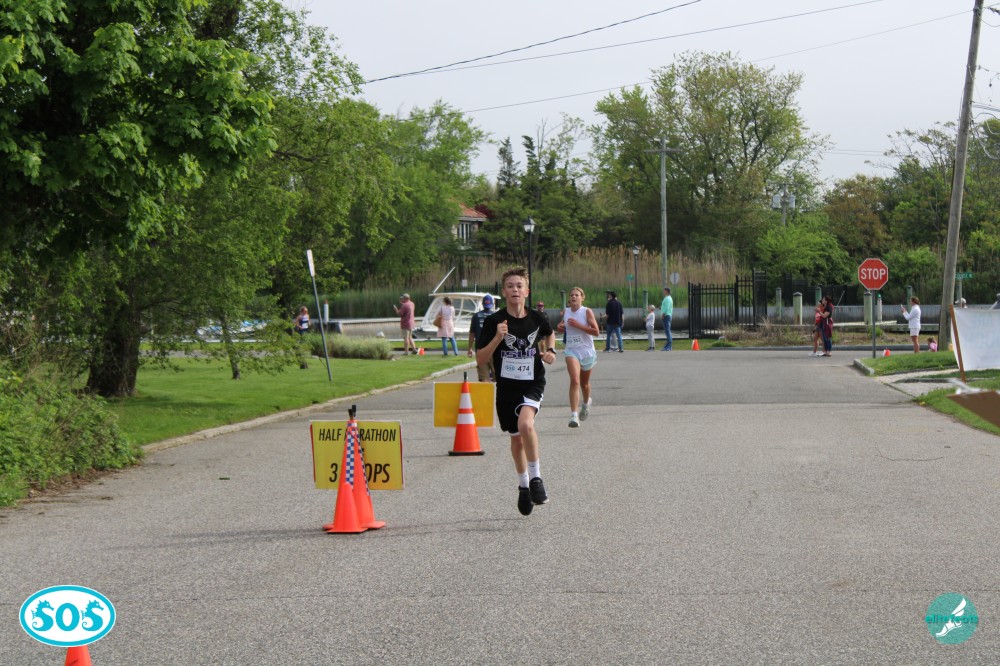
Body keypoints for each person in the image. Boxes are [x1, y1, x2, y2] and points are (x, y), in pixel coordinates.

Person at [476, 266, 556, 516]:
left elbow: (550, 333)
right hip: (507, 388)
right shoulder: (493, 322)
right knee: (516, 439)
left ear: (526, 291)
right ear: (503, 291)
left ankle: (536, 479)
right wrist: (497, 339)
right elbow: (480, 358)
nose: (515, 290)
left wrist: (551, 350)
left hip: (532, 383)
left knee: (526, 425)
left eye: (519, 286)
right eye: (510, 286)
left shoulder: (536, 318)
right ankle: (523, 487)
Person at [557, 287, 600, 428]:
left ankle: (586, 403)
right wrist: (560, 326)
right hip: (571, 350)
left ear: (582, 298)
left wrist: (579, 325)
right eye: (572, 295)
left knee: (584, 384)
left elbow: (596, 332)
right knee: (575, 380)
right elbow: (563, 324)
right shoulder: (566, 311)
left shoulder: (586, 312)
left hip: (586, 351)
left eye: (577, 295)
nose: (574, 297)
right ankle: (574, 415)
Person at [468, 293, 497, 381]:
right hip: (494, 351)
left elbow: (472, 334)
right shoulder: (497, 316)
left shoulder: (476, 316)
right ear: (493, 304)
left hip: (481, 351)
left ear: (483, 304)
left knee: (484, 379)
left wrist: (470, 348)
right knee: (498, 378)